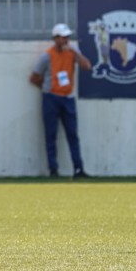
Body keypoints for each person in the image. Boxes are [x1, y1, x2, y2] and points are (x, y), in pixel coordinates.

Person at [29, 23, 92, 178]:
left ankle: (78, 169)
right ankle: (53, 169)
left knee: (73, 135)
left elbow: (87, 66)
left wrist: (74, 53)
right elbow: (34, 77)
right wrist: (47, 89)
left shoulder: (72, 52)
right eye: (63, 38)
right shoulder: (47, 56)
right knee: (51, 135)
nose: (66, 41)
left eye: (67, 38)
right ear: (56, 38)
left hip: (68, 98)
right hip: (51, 98)